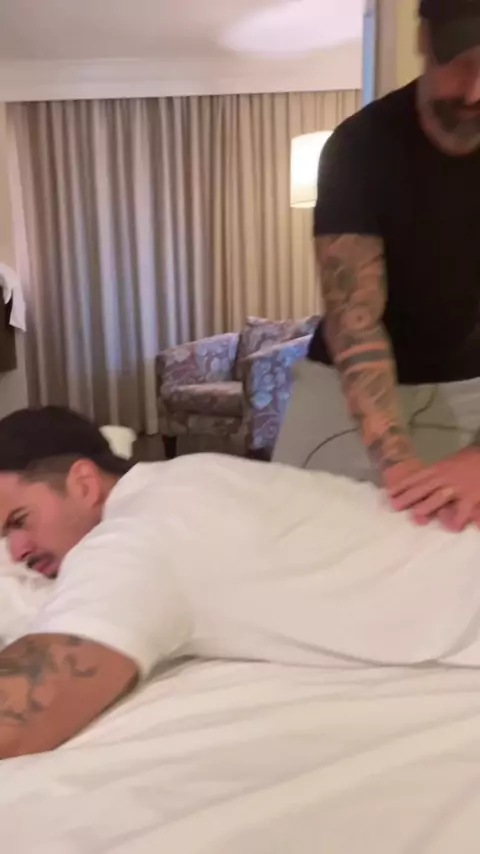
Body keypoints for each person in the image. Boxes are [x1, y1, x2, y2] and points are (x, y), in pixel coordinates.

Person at [2, 405, 480, 759]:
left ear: (84, 483)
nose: (17, 551)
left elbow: (25, 714)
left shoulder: (138, 535)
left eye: (20, 520)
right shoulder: (193, 474)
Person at [274, 0, 480, 532]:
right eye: (461, 64)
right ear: (424, 40)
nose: (474, 93)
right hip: (344, 382)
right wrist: (397, 462)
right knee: (296, 529)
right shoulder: (359, 147)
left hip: (468, 379)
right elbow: (356, 323)